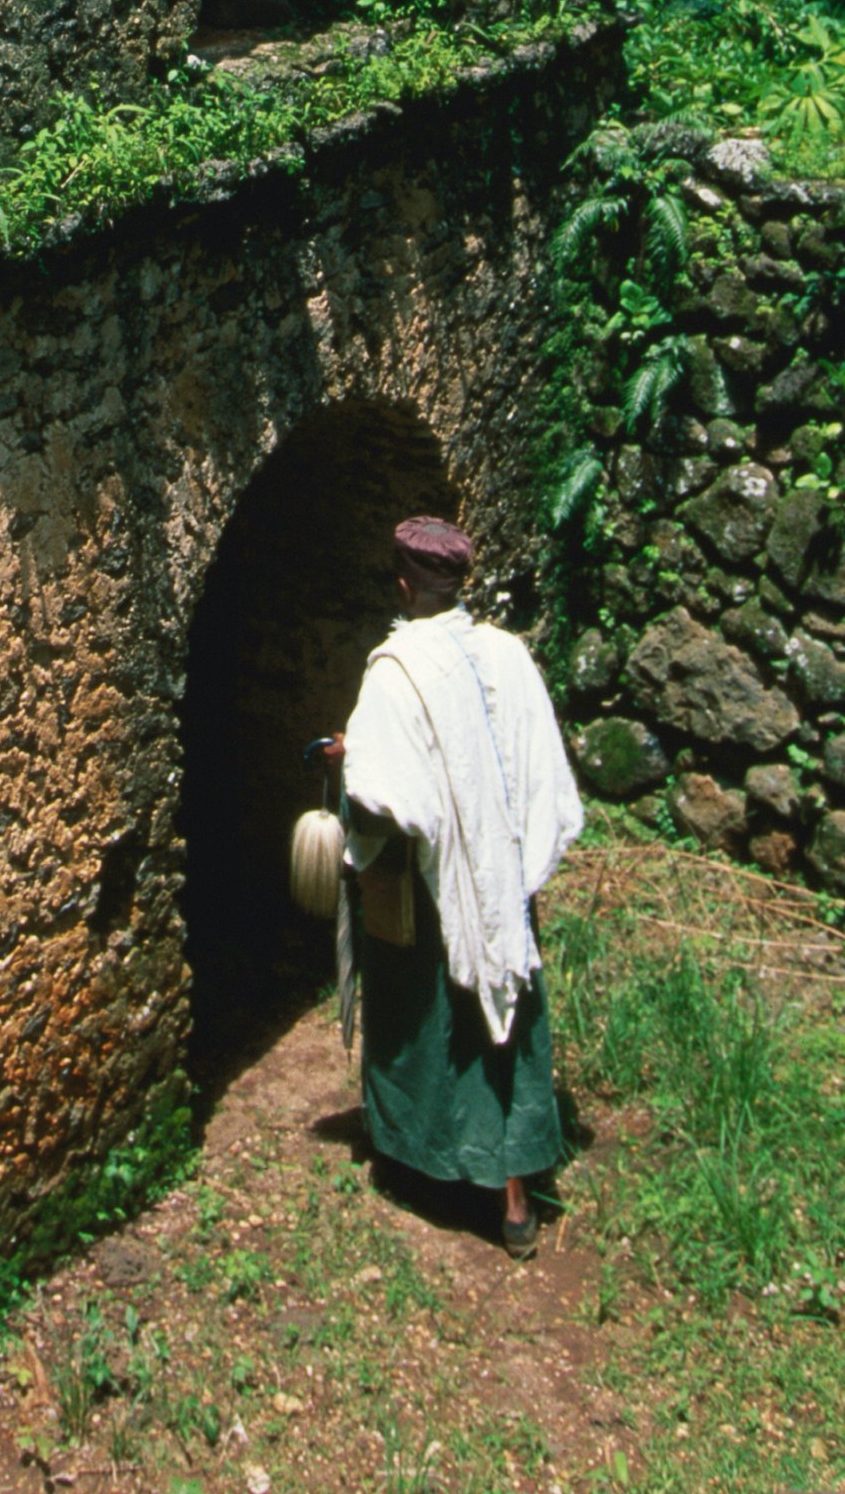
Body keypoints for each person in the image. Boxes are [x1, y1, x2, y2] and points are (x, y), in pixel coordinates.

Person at [315, 515, 583, 1257]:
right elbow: (537, 768)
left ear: (402, 584)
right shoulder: (508, 654)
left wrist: (347, 760)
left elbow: (389, 797)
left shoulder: (395, 669)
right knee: (507, 1002)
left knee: (440, 1011)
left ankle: (437, 1162)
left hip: (438, 897)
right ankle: (515, 1196)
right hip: (505, 882)